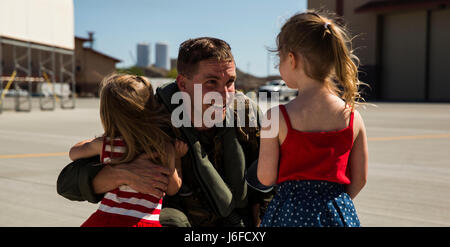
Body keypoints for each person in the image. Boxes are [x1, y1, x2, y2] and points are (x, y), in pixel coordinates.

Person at [57, 37, 275, 227]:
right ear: (183, 83)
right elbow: (67, 183)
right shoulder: (152, 117)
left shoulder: (247, 113)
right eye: (211, 82)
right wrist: (120, 173)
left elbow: (272, 178)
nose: (224, 94)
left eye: (230, 82)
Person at [256, 11, 369, 227]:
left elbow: (266, 177)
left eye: (279, 59)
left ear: (292, 59)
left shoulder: (276, 117)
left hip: (288, 214)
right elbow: (361, 178)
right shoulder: (353, 116)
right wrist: (335, 204)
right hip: (337, 212)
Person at [68, 74, 187, 227]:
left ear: (108, 114)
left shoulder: (108, 144)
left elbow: (74, 153)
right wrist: (177, 159)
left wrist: (96, 140)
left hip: (106, 219)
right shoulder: (163, 148)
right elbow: (173, 188)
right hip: (144, 220)